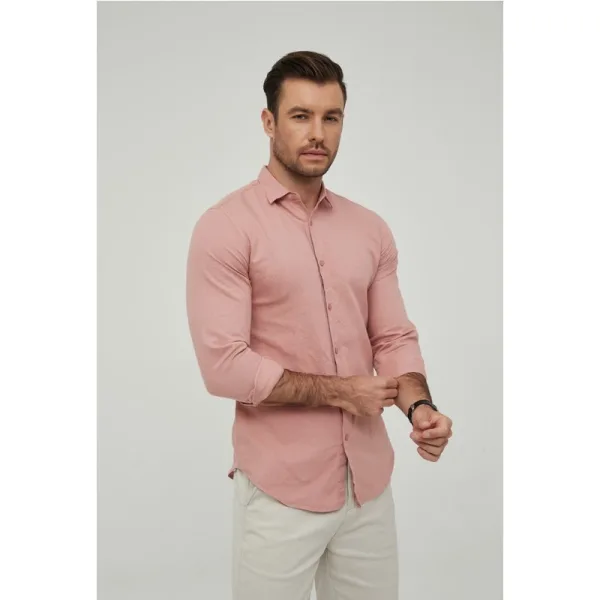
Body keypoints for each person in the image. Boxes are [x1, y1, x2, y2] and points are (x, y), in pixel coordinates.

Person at [186, 50, 453, 600]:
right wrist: (342, 392)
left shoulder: (370, 229)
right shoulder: (226, 228)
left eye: (331, 117)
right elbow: (224, 366)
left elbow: (393, 338)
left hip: (368, 487)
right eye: (300, 116)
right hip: (280, 490)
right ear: (269, 122)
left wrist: (419, 407)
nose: (317, 133)